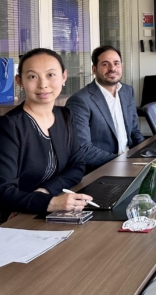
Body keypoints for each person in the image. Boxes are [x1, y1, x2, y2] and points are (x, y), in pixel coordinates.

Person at [0, 48, 92, 224]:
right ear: (19, 81)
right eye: (32, 76)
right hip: (14, 219)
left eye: (51, 75)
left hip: (50, 210)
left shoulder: (65, 116)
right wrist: (51, 202)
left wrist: (45, 192)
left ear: (64, 76)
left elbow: (77, 165)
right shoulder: (9, 126)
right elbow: (3, 190)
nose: (43, 84)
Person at [66, 45, 145, 170]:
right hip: (102, 168)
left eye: (116, 63)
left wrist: (146, 153)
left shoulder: (127, 91)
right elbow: (83, 149)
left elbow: (134, 130)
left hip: (130, 161)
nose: (112, 68)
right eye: (105, 64)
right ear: (94, 69)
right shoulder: (80, 101)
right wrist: (123, 163)